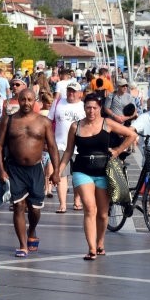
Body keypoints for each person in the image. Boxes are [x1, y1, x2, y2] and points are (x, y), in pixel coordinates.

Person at [57, 93, 136, 260]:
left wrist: (117, 151)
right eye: (88, 107)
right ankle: (91, 248)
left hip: (103, 171)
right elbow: (69, 151)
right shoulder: (75, 126)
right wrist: (58, 171)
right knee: (89, 208)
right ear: (84, 108)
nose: (91, 111)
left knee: (102, 213)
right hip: (81, 170)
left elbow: (131, 135)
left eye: (94, 108)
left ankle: (100, 242)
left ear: (100, 108)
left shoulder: (107, 123)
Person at [0, 89, 59, 258]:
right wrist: (1, 170)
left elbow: (52, 147)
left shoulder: (43, 122)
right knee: (18, 207)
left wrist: (56, 171)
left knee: (35, 209)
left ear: (35, 100)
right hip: (14, 169)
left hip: (35, 169)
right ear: (18, 100)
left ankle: (32, 229)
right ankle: (23, 244)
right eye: (23, 99)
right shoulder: (8, 121)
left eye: (30, 100)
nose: (26, 103)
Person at [48, 81, 87, 212]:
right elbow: (49, 121)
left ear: (79, 94)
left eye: (74, 91)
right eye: (69, 90)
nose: (71, 93)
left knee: (77, 176)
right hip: (60, 144)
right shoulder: (58, 102)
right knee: (60, 174)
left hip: (79, 146)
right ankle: (63, 203)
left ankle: (77, 200)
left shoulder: (84, 106)